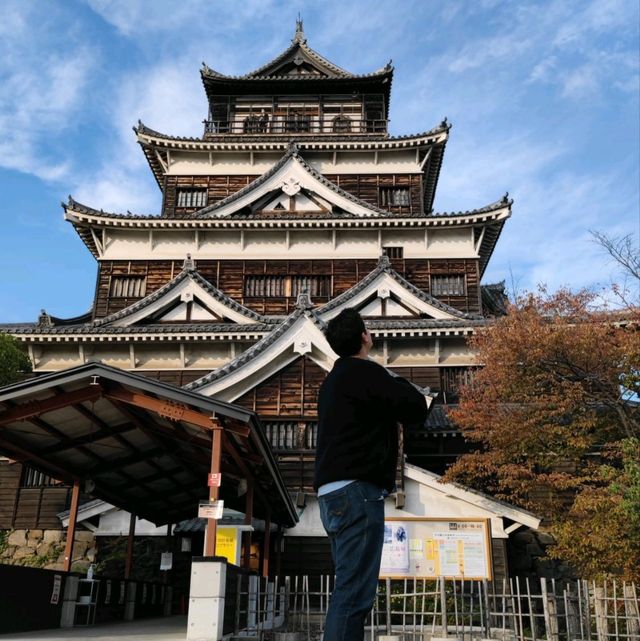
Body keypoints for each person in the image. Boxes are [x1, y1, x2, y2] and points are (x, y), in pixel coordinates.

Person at [314, 308, 428, 641]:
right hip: (358, 493)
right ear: (365, 336)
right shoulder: (365, 372)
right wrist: (402, 383)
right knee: (354, 594)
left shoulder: (331, 382)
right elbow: (414, 408)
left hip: (328, 494)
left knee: (345, 586)